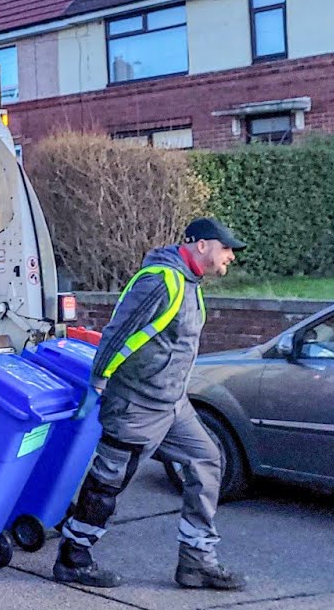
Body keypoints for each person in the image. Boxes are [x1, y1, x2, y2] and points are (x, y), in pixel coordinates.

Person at [54, 217, 248, 591]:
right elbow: (118, 332)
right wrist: (97, 382)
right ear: (203, 245)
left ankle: (197, 562)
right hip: (137, 406)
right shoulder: (161, 280)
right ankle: (73, 558)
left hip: (173, 406)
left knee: (207, 459)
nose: (231, 257)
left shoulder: (191, 284)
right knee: (107, 484)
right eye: (227, 249)